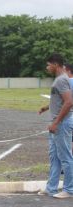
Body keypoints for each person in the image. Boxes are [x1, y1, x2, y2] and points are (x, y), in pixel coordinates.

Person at [38, 53, 73, 198]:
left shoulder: (62, 80)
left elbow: (69, 102)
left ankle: (69, 190)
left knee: (65, 157)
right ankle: (51, 187)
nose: (47, 68)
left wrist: (56, 123)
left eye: (48, 64)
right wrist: (47, 107)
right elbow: (59, 99)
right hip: (56, 123)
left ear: (56, 64)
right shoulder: (59, 80)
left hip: (61, 124)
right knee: (54, 157)